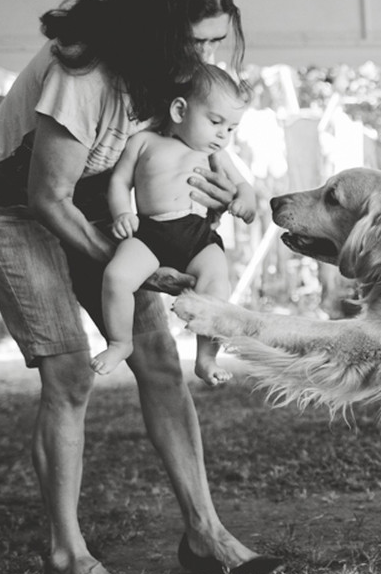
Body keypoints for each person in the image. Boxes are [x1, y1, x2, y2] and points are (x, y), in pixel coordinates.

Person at [0, 0, 283, 574]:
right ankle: (65, 556)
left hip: (89, 195)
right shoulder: (83, 72)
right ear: (155, 28)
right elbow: (48, 196)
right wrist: (131, 270)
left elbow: (160, 160)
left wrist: (213, 188)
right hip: (12, 204)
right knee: (71, 371)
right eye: (195, 42)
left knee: (159, 357)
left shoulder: (174, 72)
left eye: (216, 42)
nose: (205, 60)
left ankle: (206, 534)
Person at [91, 65, 257, 384]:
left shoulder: (217, 155)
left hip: (197, 236)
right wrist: (123, 213)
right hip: (150, 231)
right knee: (116, 276)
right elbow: (120, 181)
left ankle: (206, 358)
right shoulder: (143, 141)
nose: (224, 134)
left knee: (216, 288)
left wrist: (245, 202)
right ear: (180, 110)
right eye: (215, 122)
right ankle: (120, 343)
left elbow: (243, 185)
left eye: (232, 128)